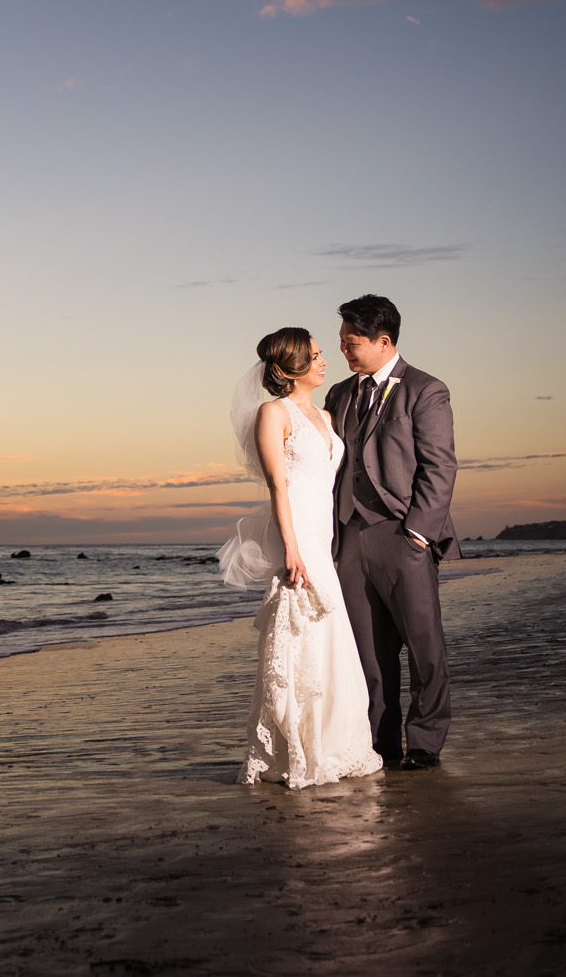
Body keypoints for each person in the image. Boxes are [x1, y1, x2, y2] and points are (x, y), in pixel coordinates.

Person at [219, 327, 385, 789]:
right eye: (313, 356)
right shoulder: (275, 413)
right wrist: (292, 547)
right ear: (291, 367)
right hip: (300, 539)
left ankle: (336, 742)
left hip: (324, 538)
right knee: (303, 637)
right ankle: (300, 750)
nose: (323, 361)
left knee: (331, 639)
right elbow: (279, 486)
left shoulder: (327, 416)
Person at [326, 294, 458, 771]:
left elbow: (440, 466)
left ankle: (424, 742)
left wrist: (419, 534)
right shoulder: (340, 394)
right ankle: (380, 744)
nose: (343, 349)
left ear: (384, 341)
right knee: (369, 654)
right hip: (350, 538)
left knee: (425, 647)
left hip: (403, 535)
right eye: (341, 341)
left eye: (351, 341)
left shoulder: (426, 389)